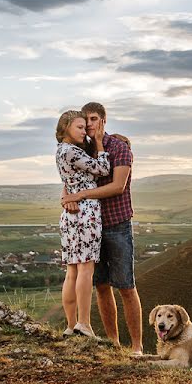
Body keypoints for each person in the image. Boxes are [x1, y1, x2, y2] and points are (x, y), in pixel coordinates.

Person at [61, 102, 143, 355]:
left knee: (126, 287)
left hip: (117, 224)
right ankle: (113, 344)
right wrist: (68, 197)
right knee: (101, 286)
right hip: (90, 226)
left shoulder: (119, 148)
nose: (90, 125)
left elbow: (117, 186)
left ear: (104, 120)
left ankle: (137, 347)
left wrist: (81, 195)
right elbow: (70, 179)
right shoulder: (80, 149)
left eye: (94, 119)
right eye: (86, 121)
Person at [55, 110, 110, 338]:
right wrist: (99, 143)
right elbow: (103, 169)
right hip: (86, 212)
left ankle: (70, 325)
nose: (84, 131)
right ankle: (84, 323)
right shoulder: (72, 151)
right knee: (85, 269)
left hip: (71, 215)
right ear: (66, 127)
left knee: (72, 271)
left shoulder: (60, 151)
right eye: (79, 127)